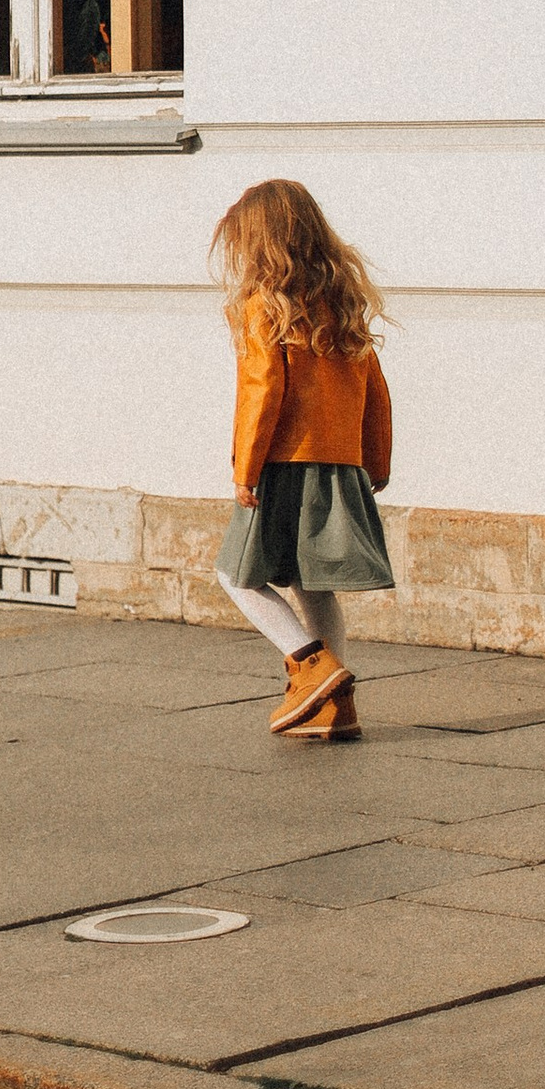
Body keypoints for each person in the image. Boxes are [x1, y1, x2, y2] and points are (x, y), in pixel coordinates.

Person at [210, 178, 395, 741]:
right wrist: (375, 463)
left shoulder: (263, 305)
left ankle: (311, 668)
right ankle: (336, 708)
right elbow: (376, 389)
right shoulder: (343, 302)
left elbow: (264, 388)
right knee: (312, 582)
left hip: (283, 461)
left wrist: (246, 468)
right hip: (340, 463)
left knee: (235, 575)